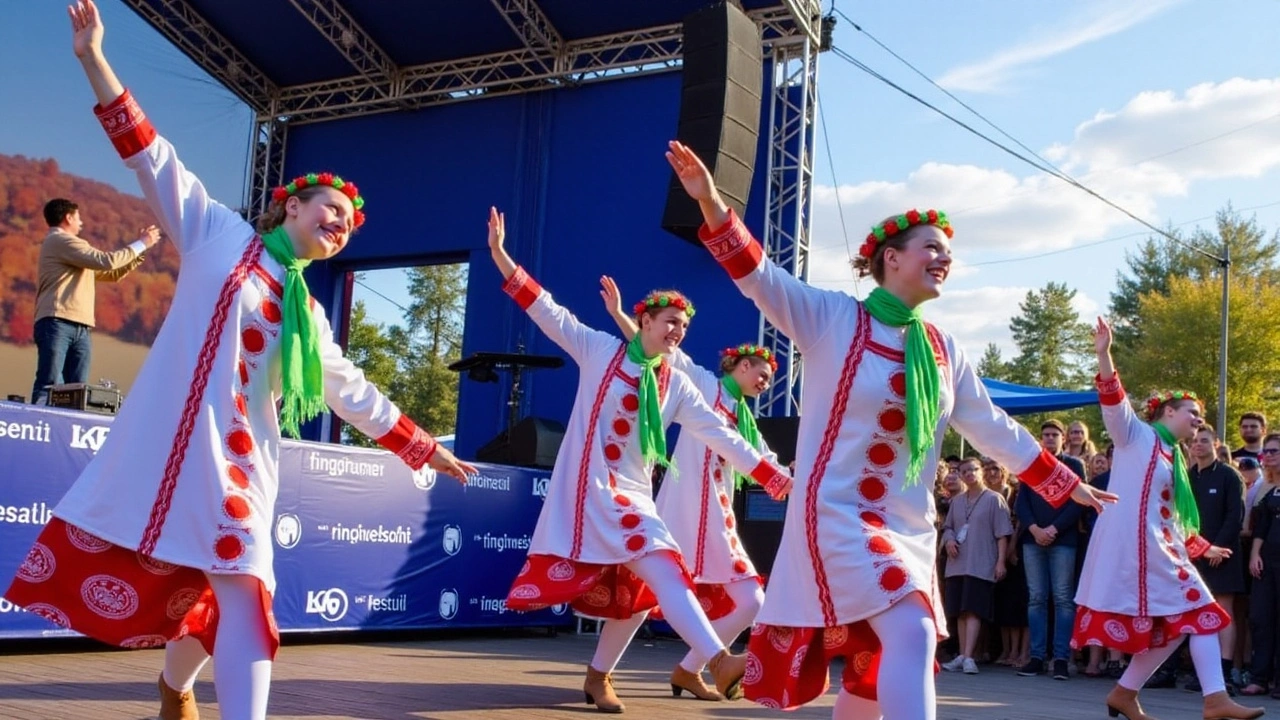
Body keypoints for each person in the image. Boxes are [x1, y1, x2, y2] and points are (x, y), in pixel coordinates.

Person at [5, 4, 477, 719]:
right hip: (178, 451)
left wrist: (421, 448)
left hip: (245, 473)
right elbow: (150, 154)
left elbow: (352, 392)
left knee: (243, 592)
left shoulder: (307, 317)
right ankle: (175, 689)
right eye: (331, 210)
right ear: (290, 207)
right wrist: (92, 58)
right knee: (206, 587)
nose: (340, 226)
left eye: (348, 226)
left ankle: (180, 692)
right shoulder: (217, 234)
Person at [664, 139, 1114, 720]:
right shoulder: (832, 318)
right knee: (913, 628)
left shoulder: (944, 348)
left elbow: (991, 427)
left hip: (908, 523)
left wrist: (1062, 481)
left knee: (872, 670)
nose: (943, 258)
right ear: (891, 258)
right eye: (932, 247)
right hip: (837, 514)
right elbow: (760, 277)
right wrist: (711, 204)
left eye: (947, 252)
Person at [486, 208, 792, 713]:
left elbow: (720, 434)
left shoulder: (678, 386)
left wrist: (771, 475)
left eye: (685, 327)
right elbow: (547, 311)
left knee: (643, 591)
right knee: (662, 572)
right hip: (590, 495)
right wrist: (500, 256)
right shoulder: (600, 349)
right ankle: (718, 660)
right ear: (644, 320)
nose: (678, 331)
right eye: (670, 321)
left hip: (632, 498)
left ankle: (600, 676)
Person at [1071, 317, 1262, 720]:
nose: (1197, 421)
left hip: (1157, 549)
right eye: (1192, 413)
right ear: (1169, 410)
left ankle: (1126, 693)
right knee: (1202, 613)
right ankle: (1215, 700)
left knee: (1182, 625)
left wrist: (1202, 546)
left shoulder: (1174, 458)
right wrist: (1104, 354)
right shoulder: (1136, 436)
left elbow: (1171, 518)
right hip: (1135, 550)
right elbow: (1113, 400)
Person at [599, 275, 775, 701]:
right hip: (679, 511)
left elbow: (766, 460)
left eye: (770, 379)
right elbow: (659, 352)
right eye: (763, 375)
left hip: (718, 521)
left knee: (751, 601)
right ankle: (598, 672)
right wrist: (622, 316)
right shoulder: (703, 384)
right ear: (742, 365)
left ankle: (690, 668)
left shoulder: (747, 424)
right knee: (644, 595)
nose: (765, 383)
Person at [31, 197, 159, 403]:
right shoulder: (60, 240)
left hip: (78, 325)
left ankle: (65, 428)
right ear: (68, 217)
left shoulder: (68, 250)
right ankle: (39, 426)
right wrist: (142, 243)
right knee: (50, 382)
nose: (81, 223)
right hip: (58, 321)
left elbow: (111, 273)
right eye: (78, 217)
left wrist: (140, 251)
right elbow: (107, 262)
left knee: (76, 390)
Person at [939, 457, 1012, 675]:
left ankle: (969, 656)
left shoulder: (994, 499)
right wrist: (950, 539)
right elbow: (948, 527)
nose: (969, 474)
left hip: (981, 561)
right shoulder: (957, 501)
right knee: (960, 611)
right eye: (964, 471)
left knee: (973, 610)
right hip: (957, 562)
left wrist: (1000, 562)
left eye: (973, 469)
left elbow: (1002, 534)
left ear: (981, 472)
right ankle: (962, 654)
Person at [1240, 434, 1280, 698]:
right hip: (1267, 561)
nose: (1269, 455)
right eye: (1266, 451)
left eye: (1275, 450)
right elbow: (1261, 527)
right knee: (1261, 618)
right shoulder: (1268, 488)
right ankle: (1259, 678)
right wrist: (1255, 555)